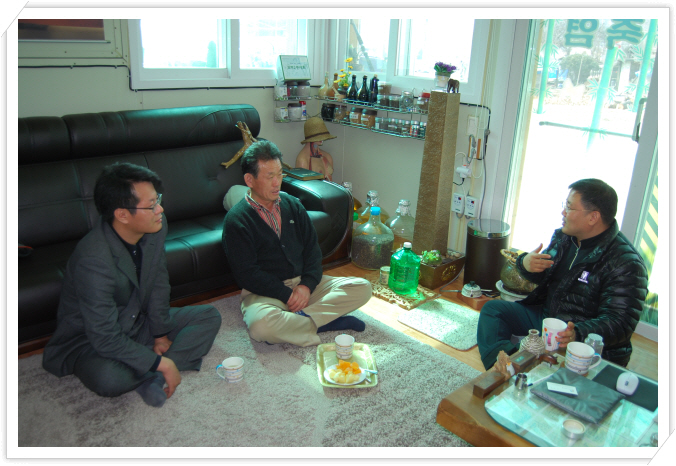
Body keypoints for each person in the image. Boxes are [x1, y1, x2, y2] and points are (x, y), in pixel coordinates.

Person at [42, 163, 222, 408]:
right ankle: (156, 368)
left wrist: (160, 333)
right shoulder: (93, 259)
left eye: (157, 200)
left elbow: (158, 281)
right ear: (122, 215)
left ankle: (150, 376)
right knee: (109, 378)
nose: (160, 209)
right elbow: (104, 337)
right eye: (151, 205)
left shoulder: (155, 226)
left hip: (138, 321)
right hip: (90, 341)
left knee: (208, 316)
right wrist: (160, 362)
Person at [477, 179, 647, 370]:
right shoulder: (565, 238)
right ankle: (505, 368)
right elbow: (544, 278)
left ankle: (520, 365)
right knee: (493, 310)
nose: (563, 213)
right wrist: (525, 264)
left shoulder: (626, 263)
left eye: (569, 207)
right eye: (564, 205)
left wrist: (578, 333)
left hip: (581, 340)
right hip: (548, 318)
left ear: (593, 217)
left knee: (552, 363)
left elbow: (620, 323)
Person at [223, 140, 372, 347]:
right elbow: (247, 274)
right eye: (270, 176)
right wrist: (287, 295)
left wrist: (306, 286)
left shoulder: (293, 205)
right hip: (265, 292)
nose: (277, 182)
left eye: (280, 174)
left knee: (362, 288)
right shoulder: (236, 220)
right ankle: (322, 322)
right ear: (249, 179)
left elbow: (312, 251)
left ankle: (299, 321)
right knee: (261, 327)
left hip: (303, 284)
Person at [295, 117, 335, 181]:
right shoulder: (303, 160)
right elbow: (303, 185)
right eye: (319, 137)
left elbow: (330, 181)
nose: (322, 139)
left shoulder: (327, 157)